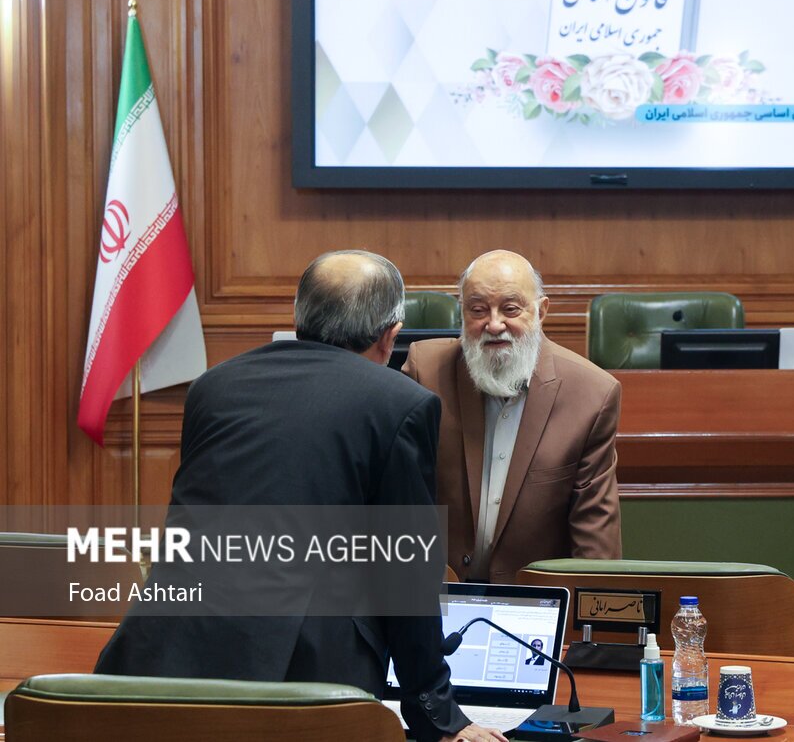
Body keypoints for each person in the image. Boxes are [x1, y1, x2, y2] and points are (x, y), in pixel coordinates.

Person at [94, 250, 502, 742]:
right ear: (390, 336)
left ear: (299, 317)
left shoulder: (213, 387)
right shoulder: (400, 404)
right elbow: (406, 575)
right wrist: (439, 716)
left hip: (158, 657)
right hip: (300, 680)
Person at [404, 249, 621, 584]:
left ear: (541, 311)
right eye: (478, 310)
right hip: (434, 594)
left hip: (533, 601)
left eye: (510, 309)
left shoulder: (592, 395)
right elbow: (397, 502)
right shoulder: (427, 372)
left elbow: (595, 545)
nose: (493, 325)